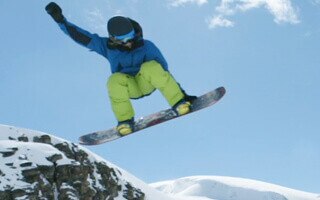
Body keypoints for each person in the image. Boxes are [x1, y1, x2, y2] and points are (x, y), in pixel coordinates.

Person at [45, 2, 197, 135]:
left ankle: (179, 102)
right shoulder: (107, 47)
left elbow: (163, 73)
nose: (128, 43)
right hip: (129, 87)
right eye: (123, 40)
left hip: (147, 82)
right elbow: (81, 37)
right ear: (113, 39)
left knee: (151, 66)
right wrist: (60, 20)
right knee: (114, 80)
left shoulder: (147, 46)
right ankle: (125, 121)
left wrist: (181, 94)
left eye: (131, 37)